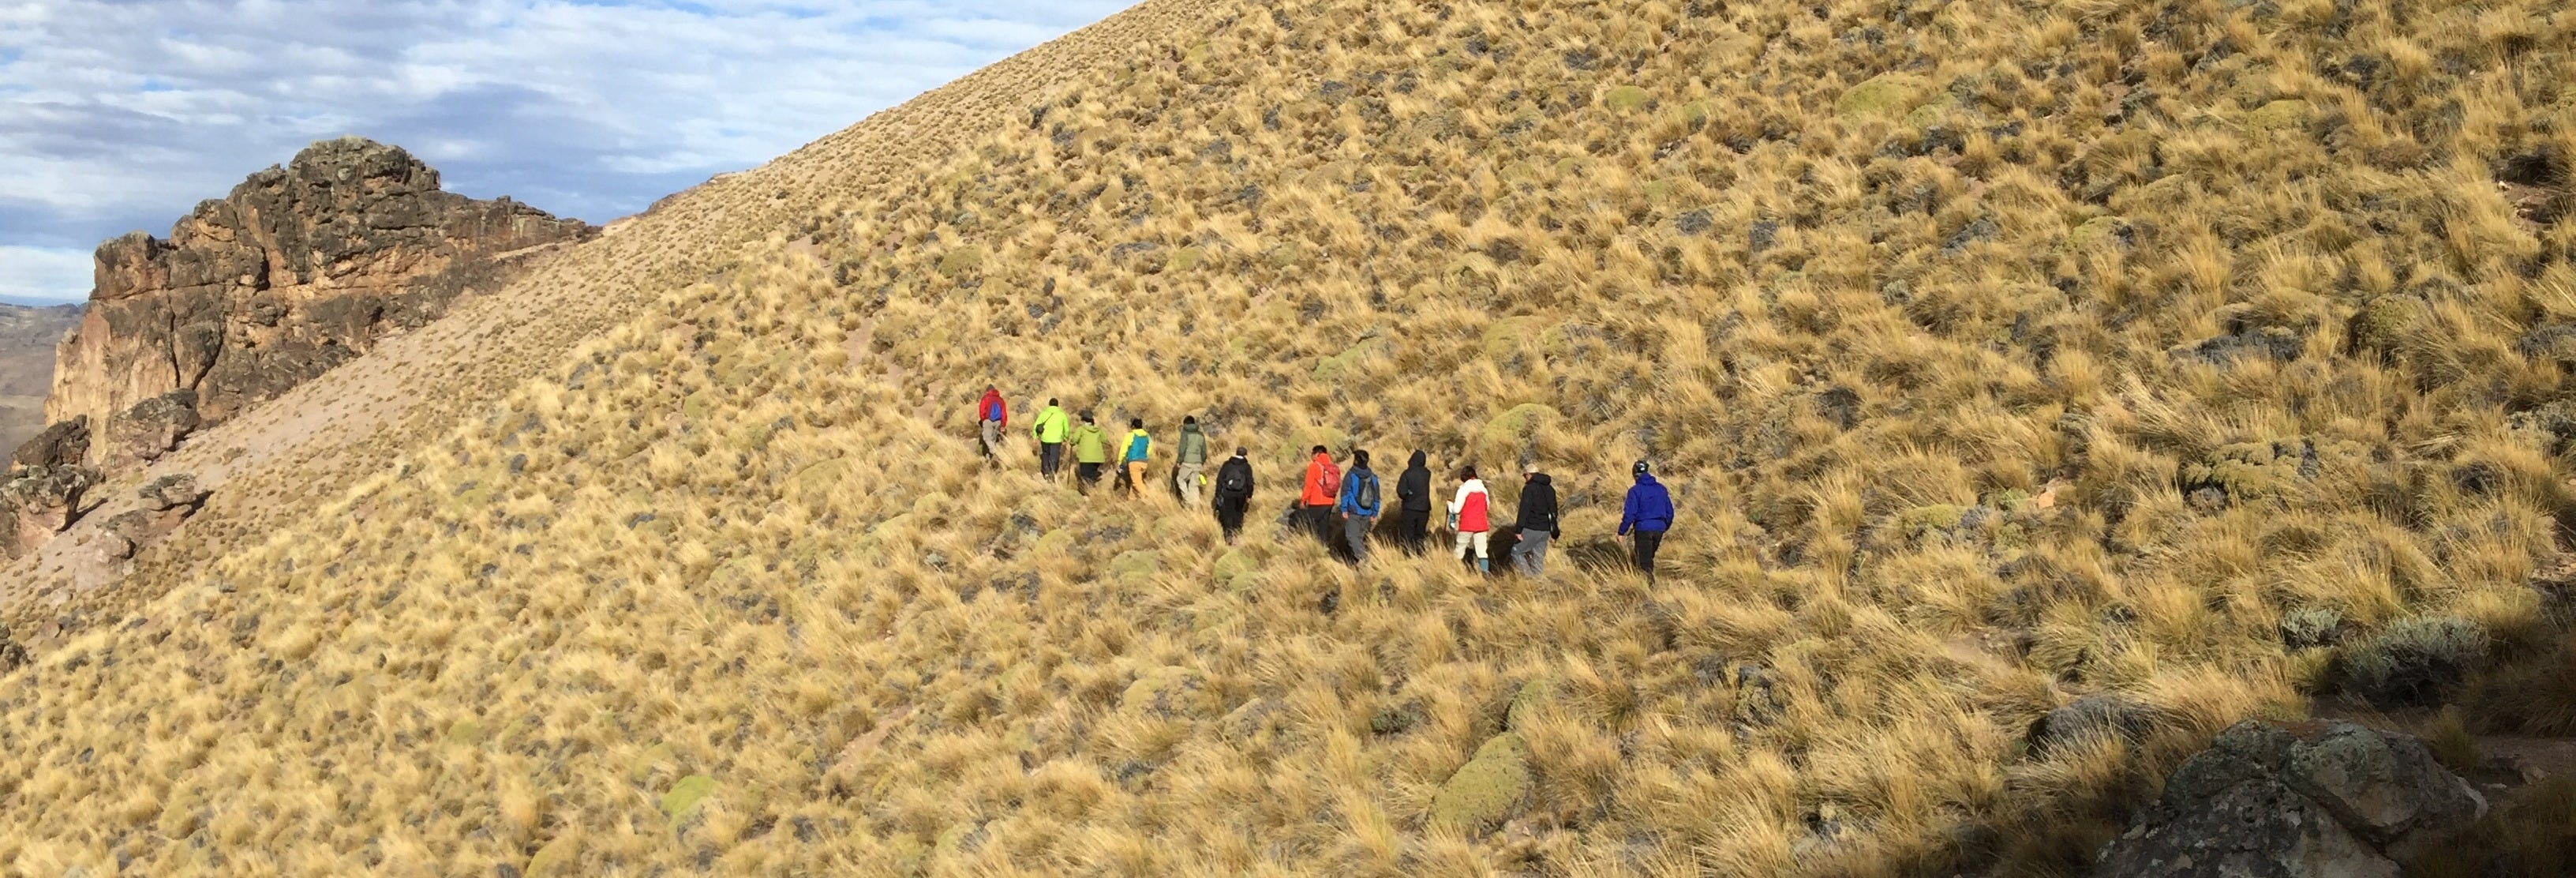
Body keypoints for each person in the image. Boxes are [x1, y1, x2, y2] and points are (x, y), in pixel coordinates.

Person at [1619, 460, 1675, 585]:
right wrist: (1664, 526)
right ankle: (1650, 584)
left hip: (1643, 529)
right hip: (1659, 528)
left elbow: (1630, 514)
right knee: (1649, 557)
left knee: (1644, 562)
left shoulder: (1635, 491)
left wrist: (1621, 532)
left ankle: (1648, 588)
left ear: (1635, 474)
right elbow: (1670, 511)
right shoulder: (1661, 489)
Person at [1508, 463, 1561, 576]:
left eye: (1524, 476)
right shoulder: (1550, 488)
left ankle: (1529, 578)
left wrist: (1518, 530)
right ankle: (1538, 582)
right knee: (1538, 556)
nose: (1524, 479)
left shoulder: (1529, 488)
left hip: (1532, 527)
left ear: (1528, 475)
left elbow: (1524, 510)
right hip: (1546, 529)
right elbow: (1554, 510)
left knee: (1516, 552)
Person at [1336, 449, 1382, 562]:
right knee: (1360, 537)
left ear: (1356, 461)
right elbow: (1377, 497)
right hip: (1368, 511)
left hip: (1354, 511)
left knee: (1351, 536)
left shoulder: (1351, 475)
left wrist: (1344, 509)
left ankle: (1364, 558)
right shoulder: (1373, 477)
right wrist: (1375, 512)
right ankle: (1358, 560)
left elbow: (1345, 493)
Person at [1450, 467, 1492, 573]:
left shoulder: (1463, 489)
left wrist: (1450, 506)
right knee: (1482, 550)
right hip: (1481, 524)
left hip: (1467, 524)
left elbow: (1457, 509)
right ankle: (1484, 572)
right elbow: (1487, 506)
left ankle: (1456, 571)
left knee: (1460, 548)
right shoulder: (1483, 489)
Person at [1299, 445, 1341, 548]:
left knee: (1310, 524)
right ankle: (1323, 546)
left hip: (1316, 501)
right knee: (1324, 525)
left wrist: (1303, 500)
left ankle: (1312, 546)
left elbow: (1308, 485)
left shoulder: (1314, 466)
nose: (1312, 457)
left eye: (1312, 454)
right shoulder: (1333, 467)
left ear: (1317, 454)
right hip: (1329, 501)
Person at [1394, 449, 1432, 555]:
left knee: (1407, 533)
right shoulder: (1427, 473)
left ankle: (1408, 554)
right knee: (1420, 533)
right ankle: (1420, 553)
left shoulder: (1407, 473)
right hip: (1424, 509)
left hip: (1410, 508)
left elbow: (1401, 491)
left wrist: (1407, 496)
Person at [1213, 447, 1254, 542]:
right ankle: (1237, 532)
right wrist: (1249, 496)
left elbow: (1220, 479)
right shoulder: (1247, 467)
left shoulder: (1227, 465)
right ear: (1245, 455)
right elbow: (1250, 483)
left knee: (1228, 512)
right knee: (1238, 512)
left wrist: (1218, 493)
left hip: (1228, 492)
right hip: (1241, 493)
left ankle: (1228, 533)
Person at [1069, 413, 1109, 493]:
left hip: (1085, 457)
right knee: (1091, 474)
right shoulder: (1098, 430)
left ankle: (1086, 492)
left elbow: (1074, 439)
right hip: (1098, 457)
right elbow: (1105, 440)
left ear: (1084, 421)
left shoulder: (1081, 429)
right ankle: (1093, 486)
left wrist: (1072, 443)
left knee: (1085, 475)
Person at [1174, 416, 1210, 505]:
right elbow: (1204, 451)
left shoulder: (1185, 433)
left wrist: (1179, 461)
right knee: (1194, 485)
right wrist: (1201, 461)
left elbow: (1182, 449)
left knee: (1180, 479)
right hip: (1198, 463)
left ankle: (1187, 500)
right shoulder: (1201, 435)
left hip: (1187, 462)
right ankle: (1196, 506)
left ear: (1185, 424)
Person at [1030, 398, 1070, 478]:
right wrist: (1066, 438)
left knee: (1045, 454)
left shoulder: (1043, 414)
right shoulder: (1062, 415)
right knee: (1054, 455)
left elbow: (1036, 426)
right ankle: (1052, 471)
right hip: (1057, 439)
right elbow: (1067, 429)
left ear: (1049, 404)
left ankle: (1046, 471)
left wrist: (1035, 437)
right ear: (1057, 405)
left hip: (1045, 438)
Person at [1120, 418, 1152, 498]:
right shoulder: (1147, 436)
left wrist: (1120, 460)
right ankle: (1131, 499)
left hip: (1134, 461)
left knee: (1136, 482)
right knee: (1137, 479)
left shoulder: (1130, 435)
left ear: (1133, 426)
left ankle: (1147, 496)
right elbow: (1150, 448)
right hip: (1144, 462)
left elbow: (1123, 449)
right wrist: (1145, 456)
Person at [975, 385, 1009, 460]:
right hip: (998, 422)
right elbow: (1004, 413)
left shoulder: (985, 399)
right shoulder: (1001, 400)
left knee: (986, 438)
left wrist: (984, 419)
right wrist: (1003, 425)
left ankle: (994, 452)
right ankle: (989, 458)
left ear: (987, 391)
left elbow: (982, 411)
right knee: (993, 439)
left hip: (988, 421)